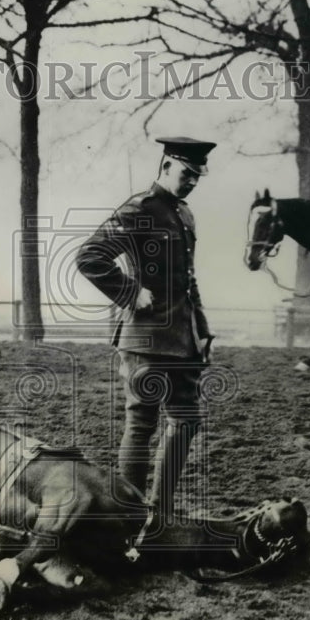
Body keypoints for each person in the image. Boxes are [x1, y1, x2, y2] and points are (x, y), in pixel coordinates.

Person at [77, 136, 215, 524]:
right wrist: (129, 291)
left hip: (183, 339)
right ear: (167, 165)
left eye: (197, 176)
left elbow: (189, 280)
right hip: (145, 338)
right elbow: (89, 257)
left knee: (186, 421)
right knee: (142, 422)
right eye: (187, 173)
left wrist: (201, 329)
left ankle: (161, 509)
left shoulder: (185, 214)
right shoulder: (140, 209)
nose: (192, 182)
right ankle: (129, 510)